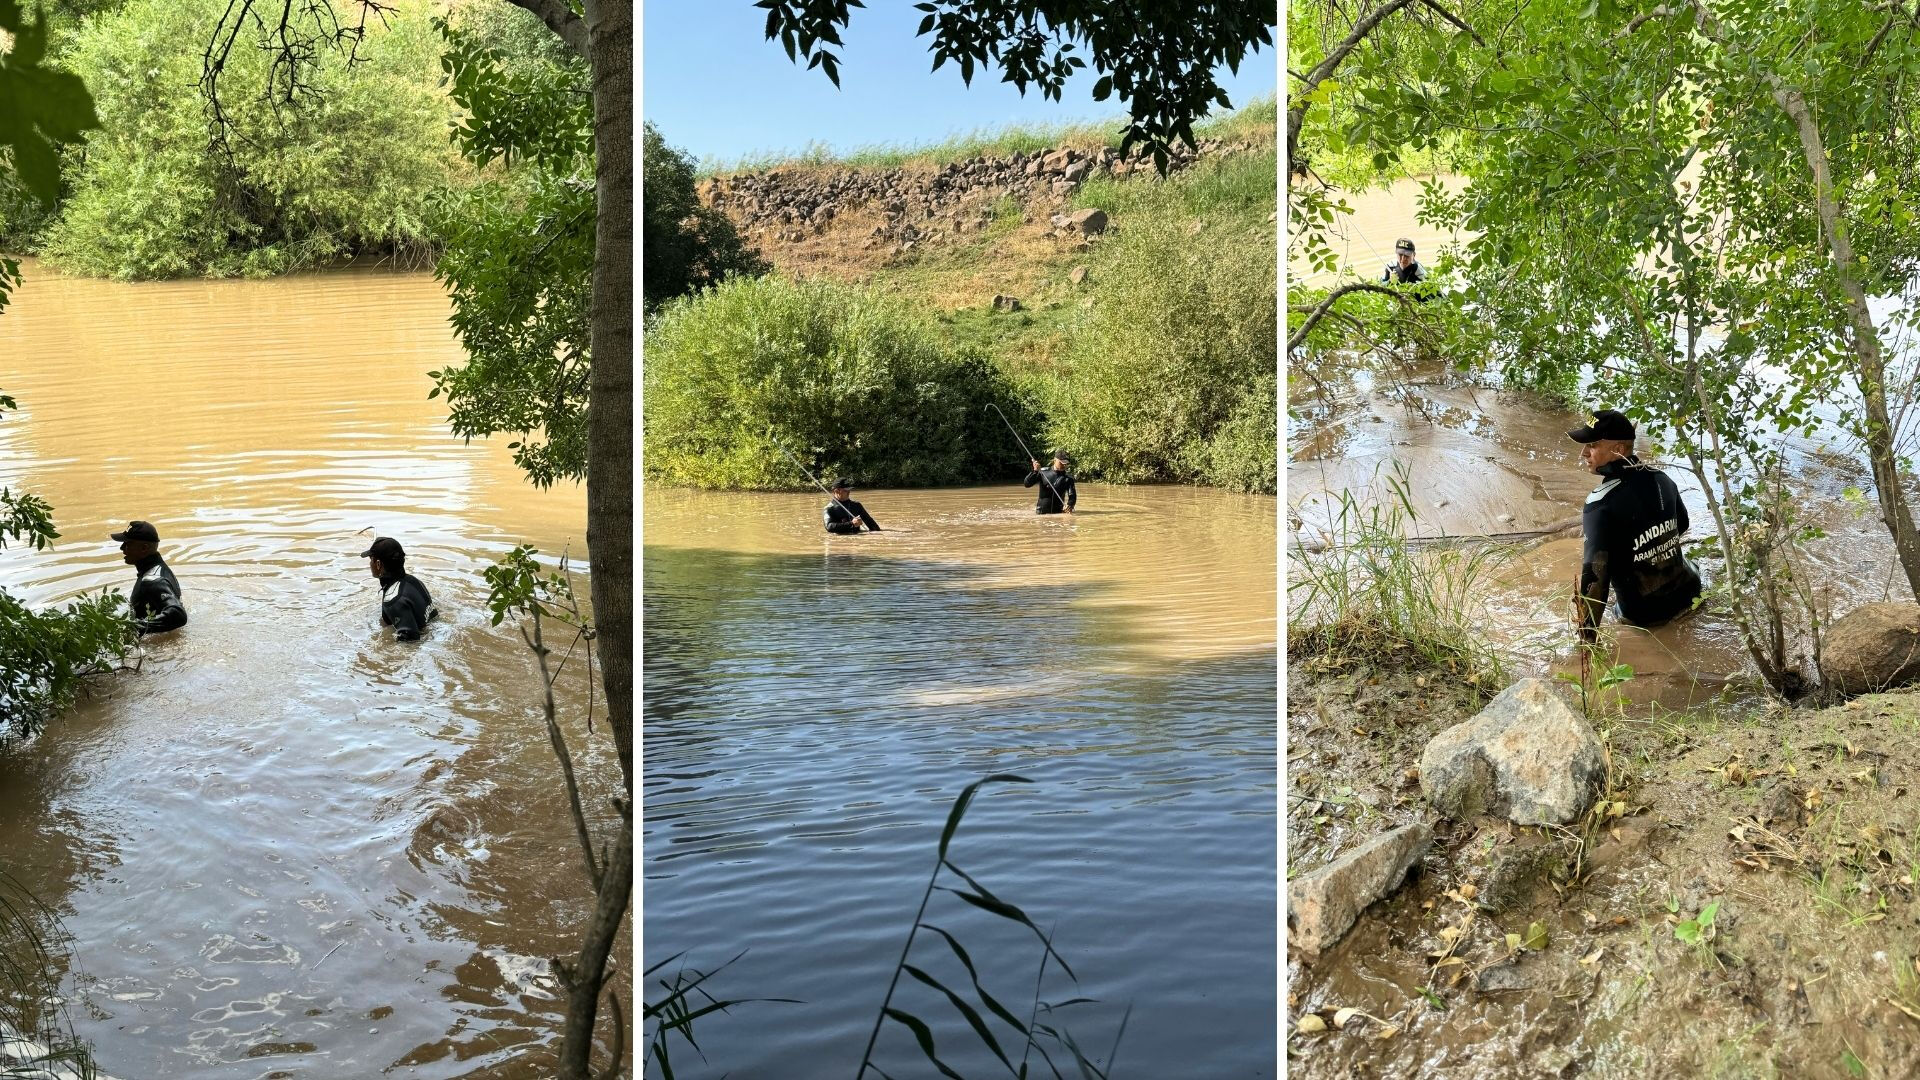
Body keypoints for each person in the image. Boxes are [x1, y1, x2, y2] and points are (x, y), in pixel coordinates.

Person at [1568, 409, 1702, 677]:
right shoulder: (1662, 478)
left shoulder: (1600, 504)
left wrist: (1587, 643)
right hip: (1692, 592)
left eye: (1592, 445)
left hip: (1645, 615)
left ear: (1618, 449)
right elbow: (1682, 525)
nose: (1584, 453)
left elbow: (1594, 579)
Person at [111, 520, 186, 635]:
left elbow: (178, 614)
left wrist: (133, 628)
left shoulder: (152, 581)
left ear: (144, 548)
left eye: (128, 543)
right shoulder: (161, 568)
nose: (122, 548)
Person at [363, 536, 436, 641]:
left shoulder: (393, 599)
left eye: (371, 560)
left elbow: (410, 642)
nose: (370, 564)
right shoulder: (414, 581)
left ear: (378, 564)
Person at [1025, 450, 1077, 515]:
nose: (1064, 465)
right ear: (1055, 460)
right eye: (1061, 462)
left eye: (1066, 463)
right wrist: (1035, 471)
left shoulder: (1068, 479)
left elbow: (1072, 496)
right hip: (1041, 515)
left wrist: (1070, 505)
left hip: (1058, 515)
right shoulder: (1043, 472)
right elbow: (1027, 484)